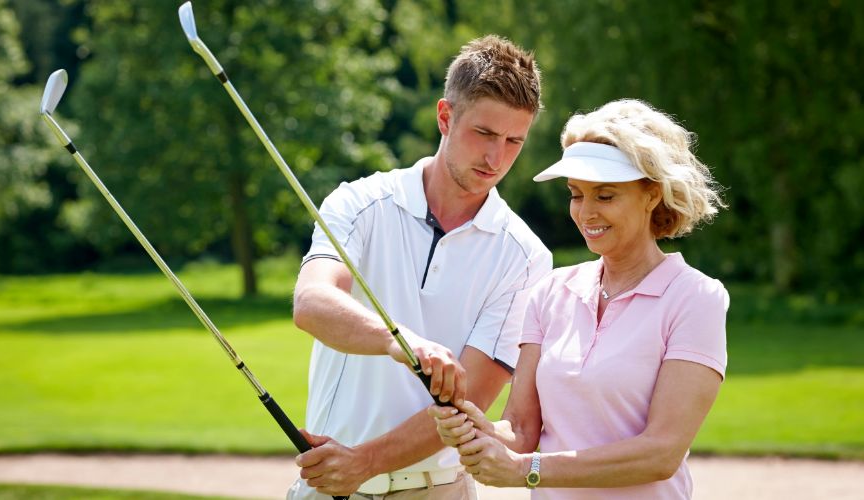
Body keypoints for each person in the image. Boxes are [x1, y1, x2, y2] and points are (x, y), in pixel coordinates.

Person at [288, 35, 553, 499]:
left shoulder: (526, 257)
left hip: (438, 489)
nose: (497, 158)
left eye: (514, 141)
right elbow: (311, 303)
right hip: (328, 482)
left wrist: (365, 462)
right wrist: (400, 340)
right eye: (485, 134)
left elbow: (469, 400)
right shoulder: (359, 202)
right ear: (445, 117)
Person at [430, 98, 728, 499]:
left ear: (652, 195)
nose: (586, 213)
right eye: (576, 194)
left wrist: (527, 471)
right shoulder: (550, 292)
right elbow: (520, 429)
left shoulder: (695, 298)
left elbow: (661, 452)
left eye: (605, 196)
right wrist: (475, 426)